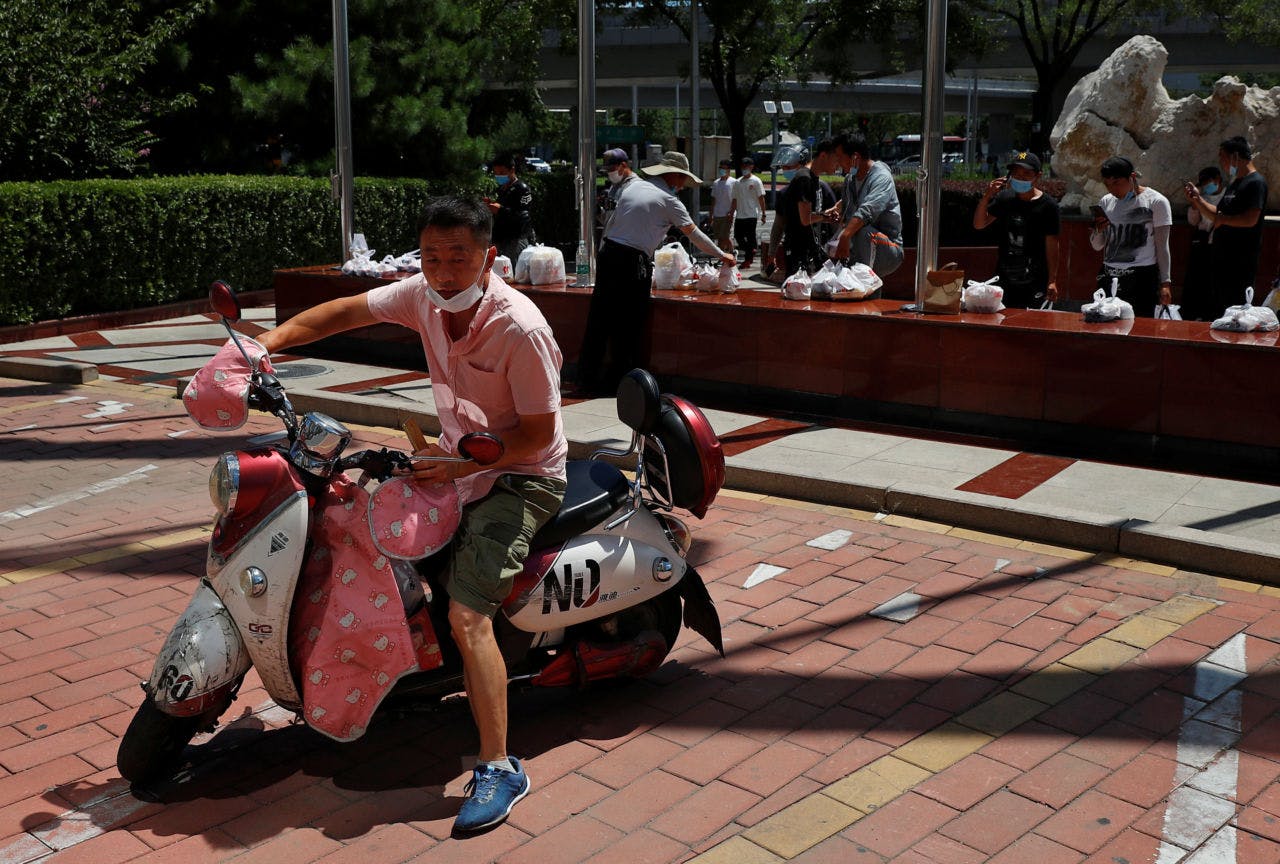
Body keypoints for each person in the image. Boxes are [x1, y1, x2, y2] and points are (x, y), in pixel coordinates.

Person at [257, 196, 567, 834]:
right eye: (432, 257)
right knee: (363, 533)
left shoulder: (521, 327)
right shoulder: (423, 297)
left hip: (520, 478)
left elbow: (537, 435)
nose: (445, 272)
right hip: (456, 461)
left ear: (489, 259)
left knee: (466, 614)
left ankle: (499, 766)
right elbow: (343, 311)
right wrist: (265, 345)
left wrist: (462, 467)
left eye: (459, 258)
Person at [576, 150, 735, 395]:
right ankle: (621, 382)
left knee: (599, 319)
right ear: (674, 176)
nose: (683, 185)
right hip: (632, 262)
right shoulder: (669, 201)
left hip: (608, 255)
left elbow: (611, 224)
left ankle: (586, 380)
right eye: (683, 179)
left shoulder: (633, 188)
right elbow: (695, 235)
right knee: (628, 323)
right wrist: (721, 255)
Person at [1185, 136, 1269, 315]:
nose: (1221, 162)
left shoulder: (1255, 183)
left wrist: (1225, 220)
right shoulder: (1235, 184)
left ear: (1235, 156)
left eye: (1223, 156)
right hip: (1221, 257)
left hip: (1240, 261)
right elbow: (1217, 215)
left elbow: (1251, 219)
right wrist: (1198, 200)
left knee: (1235, 309)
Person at [972, 150, 1061, 308]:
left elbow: (1052, 243)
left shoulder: (1048, 206)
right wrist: (987, 196)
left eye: (1026, 174)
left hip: (1035, 278)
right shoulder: (1004, 198)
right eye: (1016, 173)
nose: (1020, 178)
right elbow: (979, 224)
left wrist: (1052, 280)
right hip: (1006, 276)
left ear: (1038, 176)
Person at [1089, 156, 1173, 317]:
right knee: (1105, 322)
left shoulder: (1156, 202)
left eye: (1117, 183)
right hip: (1110, 273)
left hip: (1141, 276)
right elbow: (1097, 245)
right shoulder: (1106, 202)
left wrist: (1165, 283)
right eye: (1107, 184)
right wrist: (1098, 230)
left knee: (1140, 325)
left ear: (1132, 177)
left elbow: (1163, 247)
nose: (1113, 190)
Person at [826, 132, 905, 277]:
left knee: (863, 232)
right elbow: (849, 212)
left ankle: (864, 283)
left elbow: (867, 211)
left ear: (855, 157)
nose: (837, 162)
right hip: (859, 246)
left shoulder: (881, 177)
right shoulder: (849, 180)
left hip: (889, 248)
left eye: (840, 157)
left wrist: (845, 237)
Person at [772, 144, 824, 278]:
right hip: (795, 250)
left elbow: (832, 216)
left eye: (789, 167)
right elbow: (779, 224)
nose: (785, 171)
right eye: (783, 168)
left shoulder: (819, 186)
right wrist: (772, 253)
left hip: (815, 249)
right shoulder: (785, 193)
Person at [1180, 165, 1224, 320]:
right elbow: (1193, 221)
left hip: (1219, 244)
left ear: (1218, 179)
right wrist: (1194, 203)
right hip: (1202, 244)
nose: (1206, 187)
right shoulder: (1201, 196)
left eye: (1208, 182)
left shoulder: (1227, 195)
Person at [486, 153, 535, 263]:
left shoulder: (522, 189)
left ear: (512, 170)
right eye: (496, 173)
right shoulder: (502, 189)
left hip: (515, 238)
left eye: (502, 173)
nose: (499, 176)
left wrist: (501, 210)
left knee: (512, 272)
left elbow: (523, 216)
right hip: (500, 237)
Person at [732, 156, 766, 268]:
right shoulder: (737, 182)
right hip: (740, 214)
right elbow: (734, 199)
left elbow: (761, 197)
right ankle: (751, 250)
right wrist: (732, 212)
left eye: (747, 166)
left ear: (751, 167)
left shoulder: (756, 181)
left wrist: (764, 213)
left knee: (750, 236)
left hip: (751, 214)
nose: (744, 168)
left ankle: (748, 260)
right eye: (743, 166)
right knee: (738, 236)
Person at [710, 159, 737, 254]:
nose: (722, 170)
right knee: (719, 238)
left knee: (726, 236)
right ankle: (722, 256)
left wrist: (732, 212)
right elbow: (713, 200)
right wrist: (711, 215)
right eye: (720, 168)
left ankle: (732, 252)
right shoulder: (716, 183)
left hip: (728, 214)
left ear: (729, 170)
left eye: (724, 168)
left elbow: (735, 199)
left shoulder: (734, 182)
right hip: (717, 214)